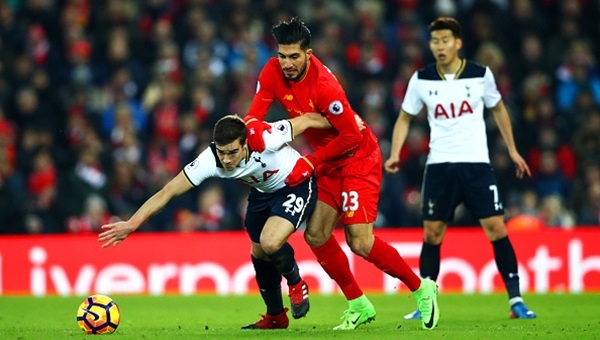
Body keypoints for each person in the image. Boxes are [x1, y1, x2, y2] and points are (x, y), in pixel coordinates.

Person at [244, 17, 439, 330]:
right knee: (316, 235)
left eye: (294, 56)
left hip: (358, 159)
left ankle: (421, 288)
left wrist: (311, 160)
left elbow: (352, 136)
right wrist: (251, 131)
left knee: (359, 242)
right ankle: (358, 304)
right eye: (282, 55)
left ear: (308, 54)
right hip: (328, 163)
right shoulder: (271, 72)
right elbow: (254, 115)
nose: (287, 63)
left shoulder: (325, 87)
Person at [99, 113, 336, 329]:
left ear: (245, 143)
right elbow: (167, 192)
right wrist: (131, 224)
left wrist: (347, 123)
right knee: (259, 253)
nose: (226, 159)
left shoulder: (266, 136)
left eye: (232, 152)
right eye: (222, 152)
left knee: (271, 242)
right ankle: (275, 316)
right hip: (262, 193)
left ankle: (296, 283)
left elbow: (306, 121)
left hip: (295, 184)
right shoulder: (210, 160)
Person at [384, 17, 536, 320]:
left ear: (458, 43)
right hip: (439, 165)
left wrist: (513, 150)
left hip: (476, 163)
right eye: (435, 41)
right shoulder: (421, 79)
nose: (440, 46)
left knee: (496, 228)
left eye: (445, 40)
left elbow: (499, 108)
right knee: (432, 234)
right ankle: (425, 304)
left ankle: (516, 301)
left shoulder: (481, 75)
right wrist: (395, 152)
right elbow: (404, 117)